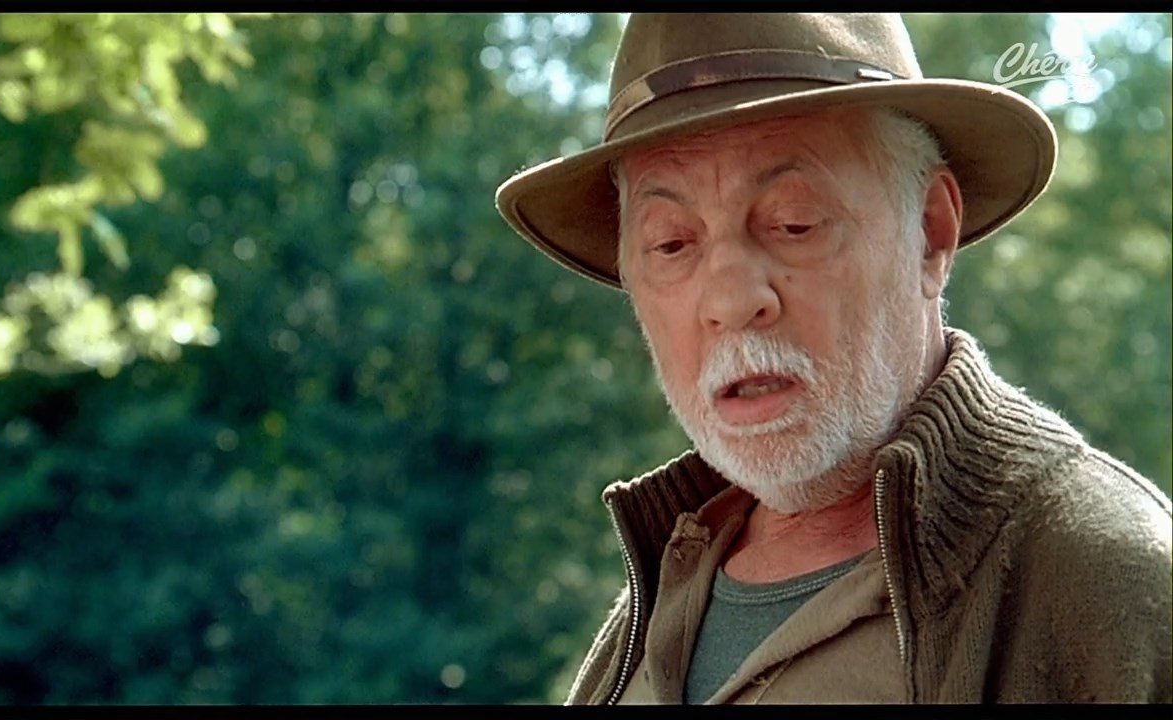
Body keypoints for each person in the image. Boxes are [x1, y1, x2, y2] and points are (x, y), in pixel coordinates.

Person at [495, 13, 1172, 704]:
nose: (731, 300)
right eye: (671, 243)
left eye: (793, 223)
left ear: (931, 233)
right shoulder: (660, 591)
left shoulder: (1101, 579)